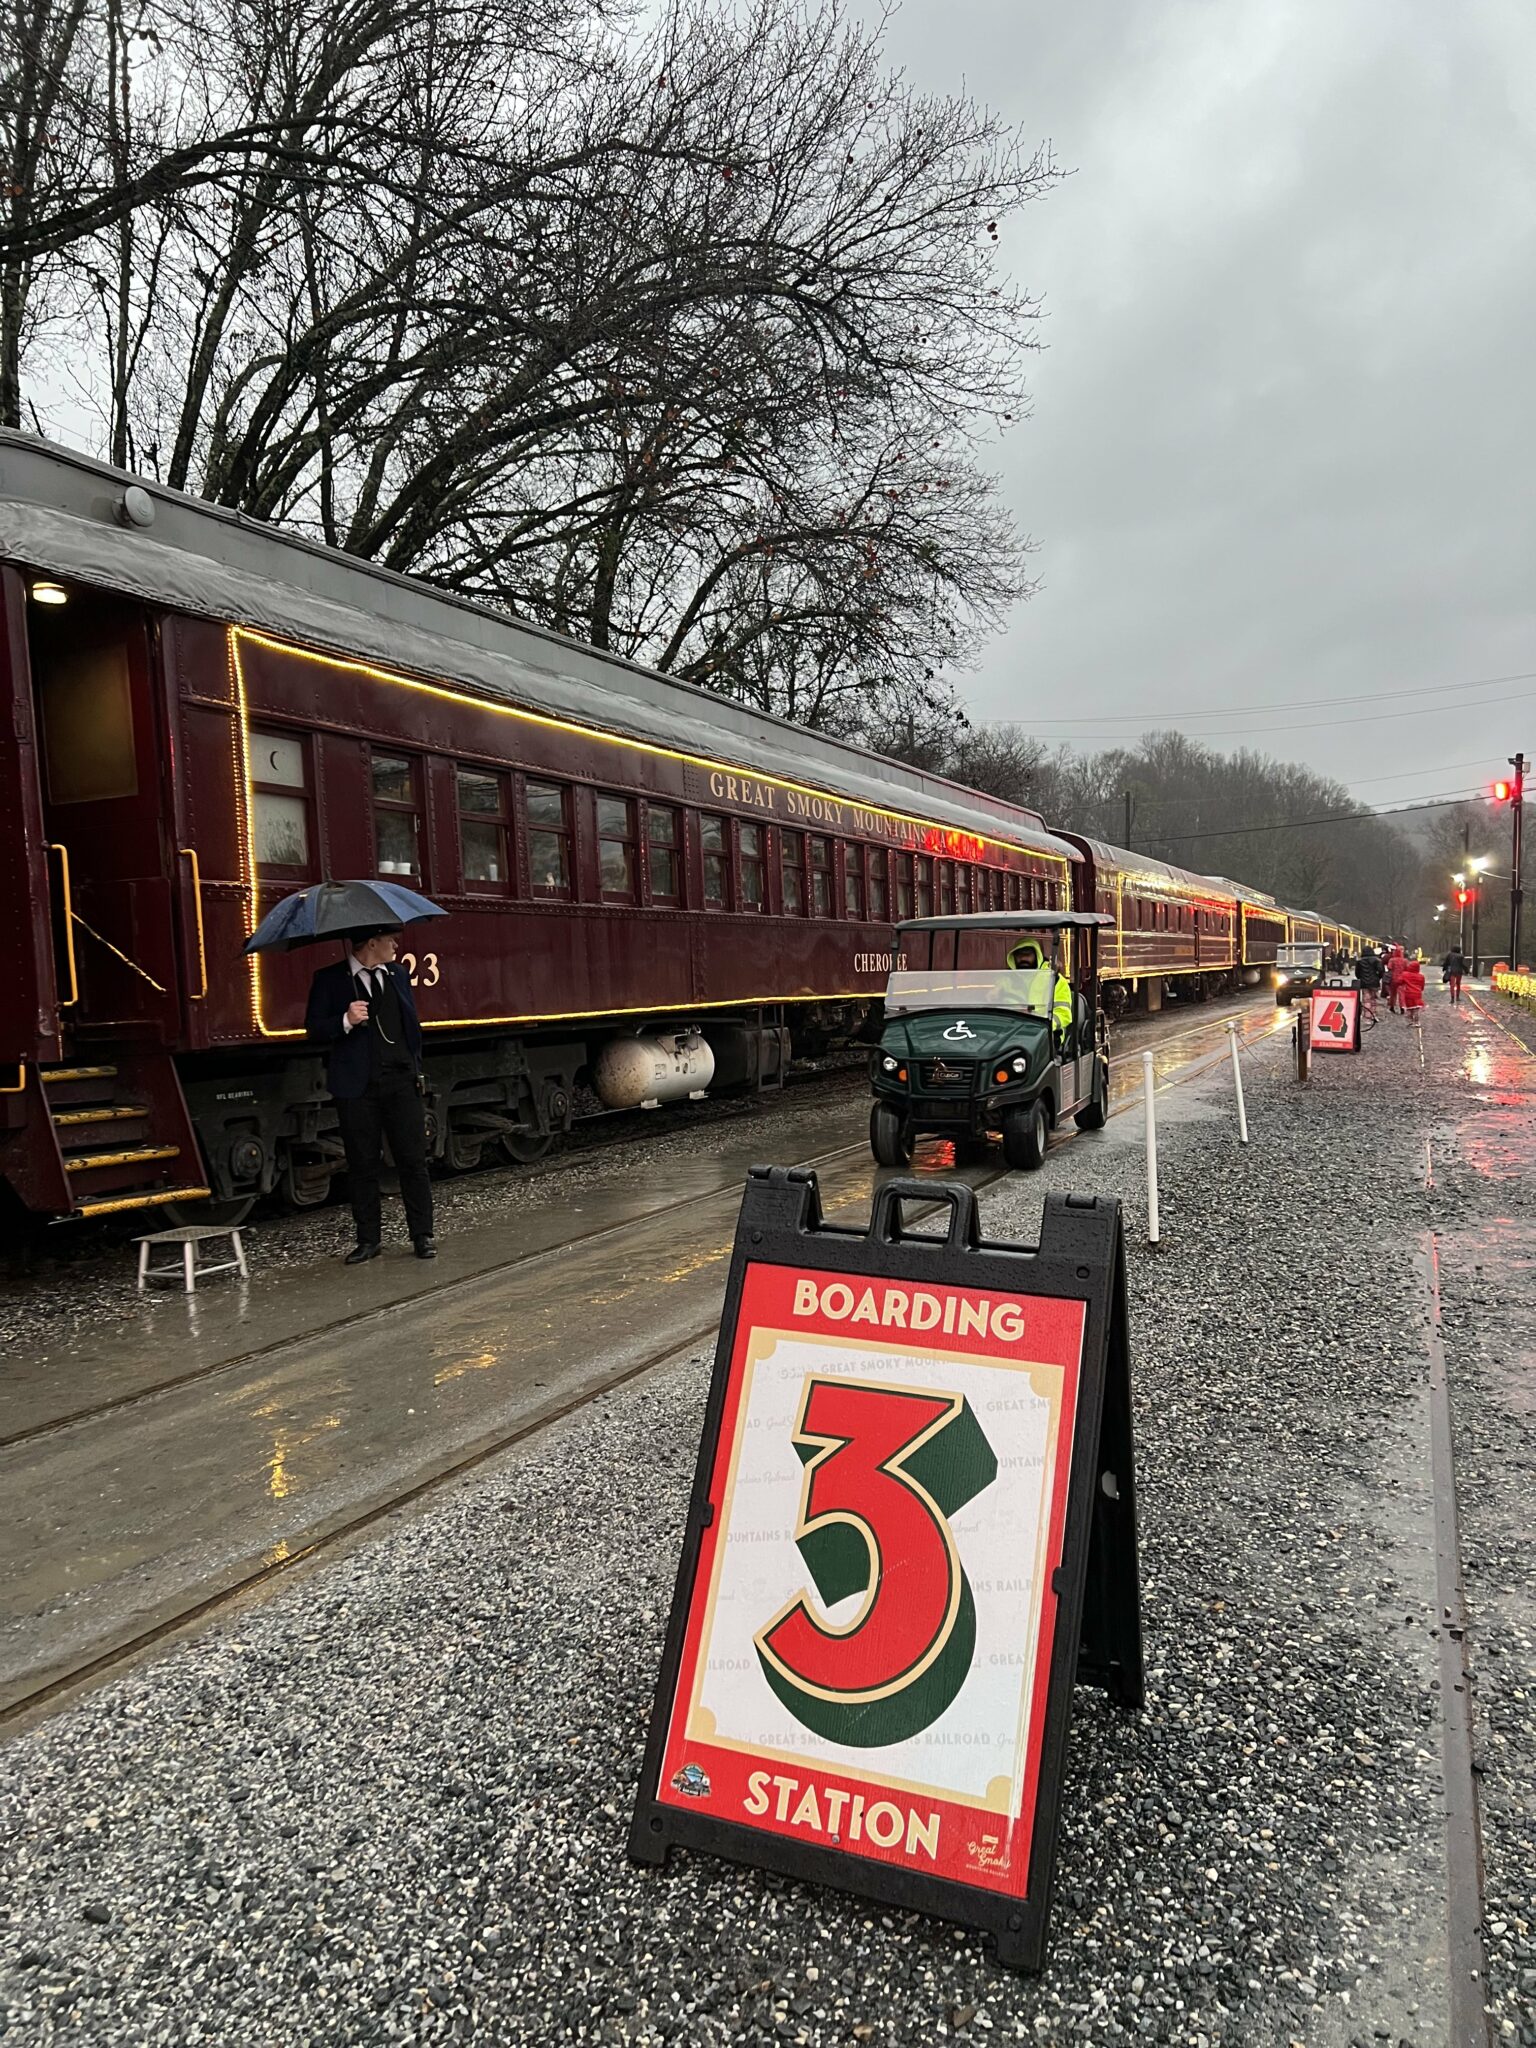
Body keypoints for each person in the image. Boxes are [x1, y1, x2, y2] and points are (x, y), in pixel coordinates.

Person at [306, 926, 436, 1263]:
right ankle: (368, 1240)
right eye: (391, 939)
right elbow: (314, 1028)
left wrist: (413, 1067)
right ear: (373, 943)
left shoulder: (398, 975)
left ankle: (423, 1235)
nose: (396, 945)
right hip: (356, 1087)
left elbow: (411, 1025)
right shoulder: (330, 979)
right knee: (363, 1164)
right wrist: (345, 1021)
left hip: (400, 1082)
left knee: (413, 1160)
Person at [1007, 938, 1074, 1044]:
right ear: (1014, 958)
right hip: (1011, 1034)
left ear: (1037, 956)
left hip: (1047, 1036)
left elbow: (1063, 1014)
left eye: (1028, 955)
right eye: (1019, 955)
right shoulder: (1006, 981)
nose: (1023, 959)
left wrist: (1042, 1026)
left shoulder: (1055, 980)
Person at [1354, 945, 1383, 1021]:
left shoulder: (1359, 961)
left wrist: (1360, 978)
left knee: (1366, 1000)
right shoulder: (1377, 960)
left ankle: (1367, 1016)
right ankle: (1374, 1015)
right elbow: (1381, 971)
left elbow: (1357, 973)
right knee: (1373, 999)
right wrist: (1378, 978)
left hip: (1364, 983)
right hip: (1374, 983)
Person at [1399, 953, 1426, 1021]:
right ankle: (1416, 1022)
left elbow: (1400, 981)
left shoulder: (1405, 974)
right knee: (1416, 1009)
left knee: (1410, 1008)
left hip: (1408, 993)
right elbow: (1422, 985)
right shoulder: (1421, 976)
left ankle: (1410, 1018)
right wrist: (1421, 990)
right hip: (1417, 993)